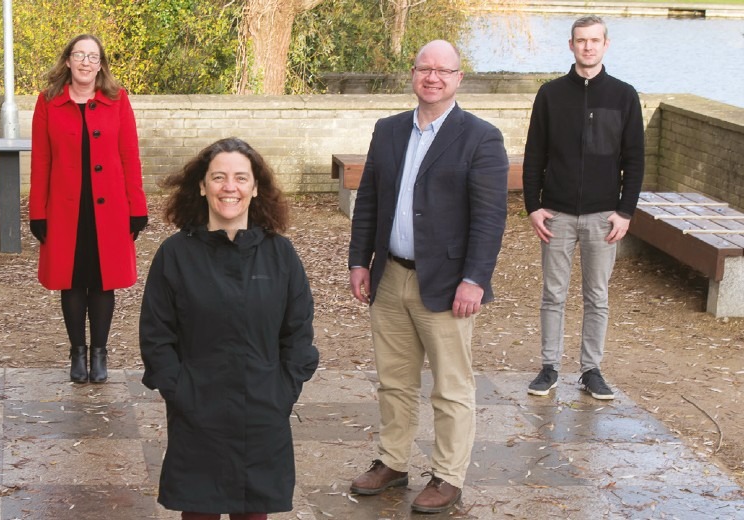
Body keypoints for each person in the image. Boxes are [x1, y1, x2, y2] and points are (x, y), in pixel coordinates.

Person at [346, 41, 508, 514]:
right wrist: (359, 260)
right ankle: (393, 461)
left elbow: (490, 218)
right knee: (393, 380)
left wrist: (475, 279)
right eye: (425, 68)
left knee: (451, 387)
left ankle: (447, 475)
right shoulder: (388, 130)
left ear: (459, 78)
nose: (432, 77)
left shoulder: (481, 138)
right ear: (413, 73)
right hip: (390, 275)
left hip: (449, 283)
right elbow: (369, 201)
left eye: (443, 70)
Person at [140, 138, 320, 520]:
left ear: (255, 188)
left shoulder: (281, 255)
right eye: (218, 177)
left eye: (241, 178)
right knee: (199, 512)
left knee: (253, 510)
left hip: (263, 411)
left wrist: (283, 390)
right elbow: (156, 335)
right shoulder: (176, 255)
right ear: (202, 186)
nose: (229, 187)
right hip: (197, 412)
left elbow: (298, 333)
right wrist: (179, 390)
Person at [523, 15, 645, 401]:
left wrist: (625, 211)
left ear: (606, 45)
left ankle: (591, 370)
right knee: (553, 294)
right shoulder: (550, 95)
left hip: (603, 216)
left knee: (597, 296)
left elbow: (635, 159)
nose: (588, 47)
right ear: (571, 45)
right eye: (581, 40)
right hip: (556, 214)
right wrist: (533, 206)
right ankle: (549, 367)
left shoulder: (624, 96)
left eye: (594, 40)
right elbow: (534, 154)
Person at [29, 34, 148, 384]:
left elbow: (130, 156)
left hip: (109, 209)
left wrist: (137, 206)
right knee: (71, 280)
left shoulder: (118, 100)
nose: (85, 62)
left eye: (92, 57)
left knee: (102, 281)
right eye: (79, 55)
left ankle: (99, 353)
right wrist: (37, 211)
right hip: (65, 209)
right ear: (68, 60)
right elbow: (41, 161)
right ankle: (77, 353)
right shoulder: (47, 102)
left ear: (100, 64)